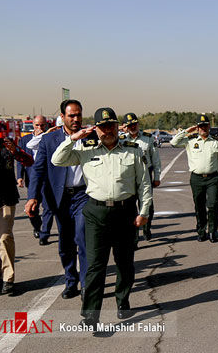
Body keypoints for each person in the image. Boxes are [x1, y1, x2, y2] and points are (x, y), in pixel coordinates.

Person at [51, 107, 151, 328]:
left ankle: (122, 301)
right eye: (103, 127)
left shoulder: (132, 150)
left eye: (112, 126)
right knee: (96, 265)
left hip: (125, 212)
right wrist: (73, 138)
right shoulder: (85, 150)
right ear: (95, 128)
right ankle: (90, 313)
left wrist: (144, 211)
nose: (108, 130)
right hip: (95, 213)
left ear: (117, 127)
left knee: (125, 262)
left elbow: (144, 183)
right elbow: (57, 160)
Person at [25, 100, 93, 299]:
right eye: (71, 115)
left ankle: (87, 285)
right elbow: (38, 170)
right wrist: (32, 197)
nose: (76, 119)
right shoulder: (49, 140)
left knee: (82, 238)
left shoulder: (90, 137)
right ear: (62, 117)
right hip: (59, 198)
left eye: (79, 115)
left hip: (84, 195)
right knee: (66, 243)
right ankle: (71, 281)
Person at [0, 109, 34, 295]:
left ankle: (8, 279)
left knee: (4, 238)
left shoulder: (7, 144)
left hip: (5, 199)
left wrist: (15, 151)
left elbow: (28, 161)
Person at [171, 113, 218, 242]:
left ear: (209, 126)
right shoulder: (190, 141)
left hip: (212, 178)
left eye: (205, 126)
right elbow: (173, 142)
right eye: (200, 126)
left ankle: (213, 231)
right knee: (199, 206)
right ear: (197, 127)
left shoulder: (216, 142)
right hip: (196, 179)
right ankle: (201, 231)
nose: (203, 128)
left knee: (213, 204)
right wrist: (187, 131)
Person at [121, 112, 161, 245]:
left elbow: (155, 159)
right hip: (129, 175)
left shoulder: (148, 138)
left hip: (146, 173)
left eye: (134, 124)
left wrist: (157, 176)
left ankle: (147, 228)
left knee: (147, 204)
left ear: (138, 124)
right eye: (129, 125)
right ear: (125, 126)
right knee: (131, 207)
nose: (132, 127)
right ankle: (134, 238)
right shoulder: (121, 139)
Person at [17, 115, 55, 242]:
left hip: (47, 178)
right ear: (33, 125)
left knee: (48, 207)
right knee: (32, 208)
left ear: (46, 125)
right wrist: (19, 177)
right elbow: (19, 159)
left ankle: (45, 233)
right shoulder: (25, 140)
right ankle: (37, 227)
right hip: (32, 178)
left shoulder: (50, 138)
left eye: (42, 125)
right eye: (37, 125)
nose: (40, 128)